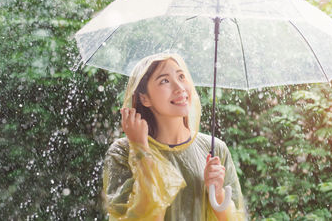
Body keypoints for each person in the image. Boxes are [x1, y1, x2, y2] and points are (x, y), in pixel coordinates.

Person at [103, 53, 246, 220]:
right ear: (144, 98)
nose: (180, 87)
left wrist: (218, 193)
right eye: (164, 80)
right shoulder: (122, 152)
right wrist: (140, 149)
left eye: (181, 76)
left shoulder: (214, 149)